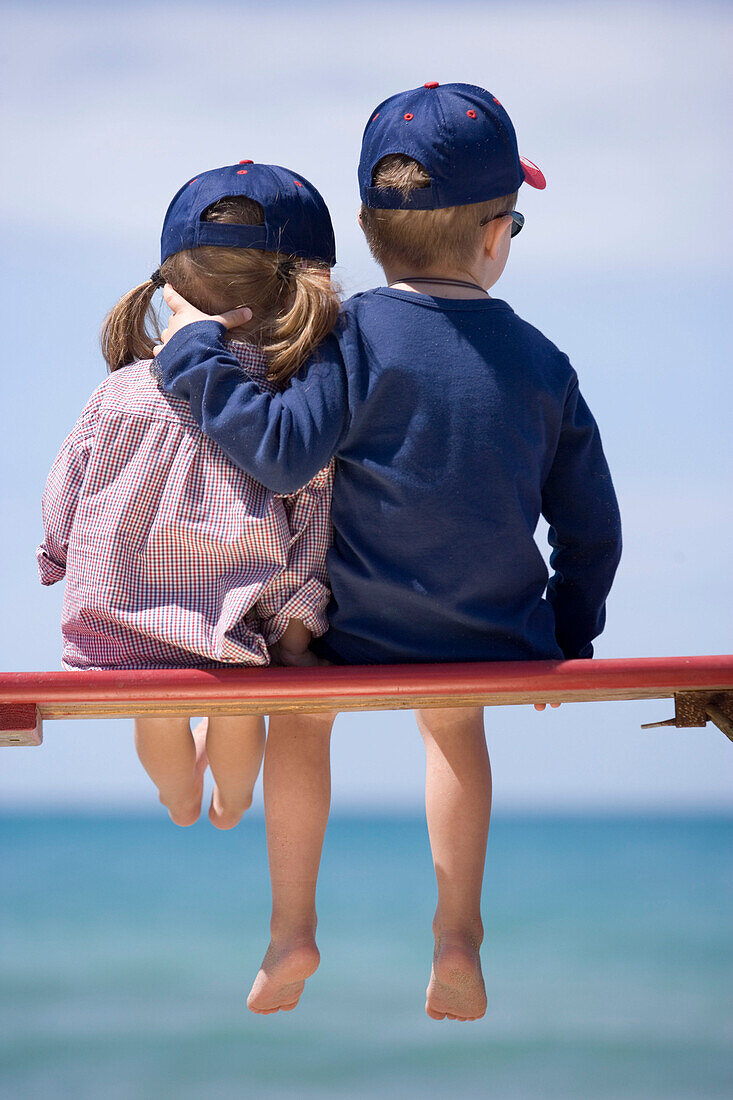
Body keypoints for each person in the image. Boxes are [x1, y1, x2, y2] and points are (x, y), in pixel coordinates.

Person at [152, 83, 623, 1021]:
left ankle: (292, 930)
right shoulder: (544, 363)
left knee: (302, 714)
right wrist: (562, 638)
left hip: (356, 635)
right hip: (492, 637)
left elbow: (283, 452)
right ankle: (457, 935)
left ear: (368, 231)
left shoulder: (351, 333)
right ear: (496, 235)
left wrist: (192, 356)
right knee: (454, 727)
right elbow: (591, 529)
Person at [37, 162, 339, 851]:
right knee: (236, 718)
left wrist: (56, 553)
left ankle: (179, 804)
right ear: (304, 295)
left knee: (157, 717)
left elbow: (69, 488)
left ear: (171, 289)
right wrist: (295, 628)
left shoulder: (119, 392)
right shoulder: (290, 413)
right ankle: (230, 806)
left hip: (122, 616)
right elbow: (308, 534)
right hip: (231, 627)